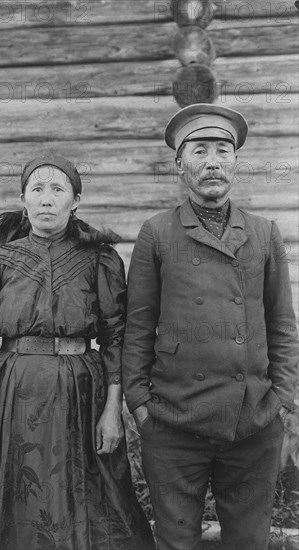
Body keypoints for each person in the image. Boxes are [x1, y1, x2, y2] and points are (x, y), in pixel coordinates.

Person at [0, 155, 155, 550]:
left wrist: (113, 410)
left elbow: (116, 337)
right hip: (9, 397)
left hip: (82, 396)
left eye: (58, 190)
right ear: (23, 199)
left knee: (90, 495)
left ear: (75, 201)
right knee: (9, 495)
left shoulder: (100, 260)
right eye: (38, 189)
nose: (47, 199)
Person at [122, 104, 298, 550]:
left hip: (253, 423)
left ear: (236, 161)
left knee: (247, 542)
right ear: (179, 165)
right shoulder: (157, 233)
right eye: (199, 151)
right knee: (176, 541)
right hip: (174, 423)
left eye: (223, 150)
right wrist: (140, 403)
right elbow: (138, 325)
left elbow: (282, 323)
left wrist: (282, 400)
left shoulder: (263, 232)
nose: (213, 161)